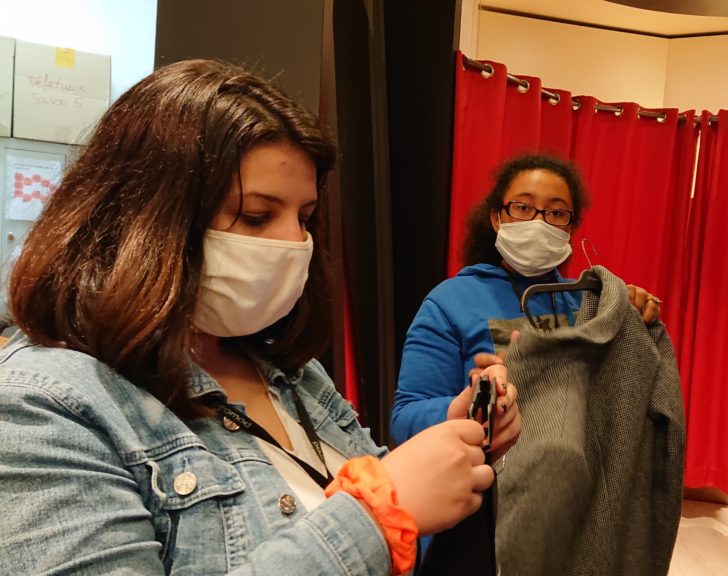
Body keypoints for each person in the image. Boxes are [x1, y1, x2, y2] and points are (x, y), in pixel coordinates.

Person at [0, 59, 518, 576]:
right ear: (148, 217)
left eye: (305, 217)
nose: (294, 242)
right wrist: (375, 519)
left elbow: (377, 527)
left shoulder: (289, 371)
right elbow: (367, 524)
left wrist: (447, 454)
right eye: (256, 216)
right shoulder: (40, 406)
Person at [391, 154, 662, 445]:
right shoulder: (449, 302)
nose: (538, 222)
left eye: (556, 212)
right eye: (523, 208)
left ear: (570, 228)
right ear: (497, 218)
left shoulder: (590, 302)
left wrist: (629, 309)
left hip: (581, 469)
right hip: (493, 468)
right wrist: (473, 401)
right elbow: (405, 420)